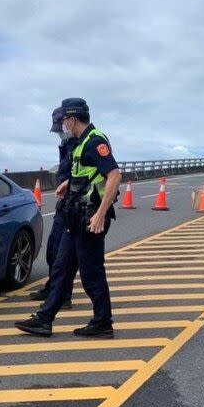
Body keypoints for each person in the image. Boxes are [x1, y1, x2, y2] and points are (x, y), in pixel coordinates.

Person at [15, 98, 121, 338]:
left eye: (64, 120)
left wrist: (100, 215)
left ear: (72, 119)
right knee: (61, 269)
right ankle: (44, 319)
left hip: (89, 218)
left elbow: (113, 176)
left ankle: (102, 322)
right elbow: (88, 174)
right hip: (74, 216)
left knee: (91, 273)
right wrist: (66, 183)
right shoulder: (81, 142)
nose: (62, 125)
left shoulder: (95, 141)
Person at [26, 106, 78, 310]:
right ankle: (53, 287)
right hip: (63, 205)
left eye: (61, 127)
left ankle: (63, 295)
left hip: (73, 206)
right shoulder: (67, 145)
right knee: (52, 249)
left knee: (64, 254)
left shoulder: (80, 145)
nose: (59, 132)